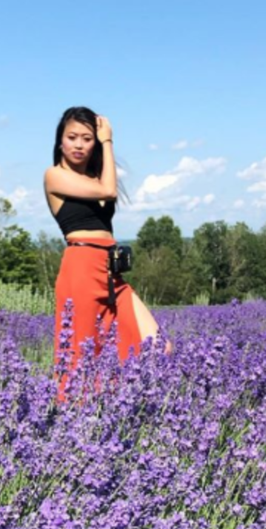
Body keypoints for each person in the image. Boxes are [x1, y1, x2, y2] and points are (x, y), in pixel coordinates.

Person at [45, 106, 169, 400]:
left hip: (111, 272)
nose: (79, 144)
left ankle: (122, 408)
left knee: (159, 346)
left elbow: (106, 186)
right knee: (81, 362)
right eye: (72, 137)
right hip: (81, 269)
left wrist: (104, 147)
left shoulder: (95, 177)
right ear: (60, 141)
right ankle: (71, 423)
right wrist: (108, 141)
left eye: (87, 138)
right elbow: (109, 191)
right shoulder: (54, 176)